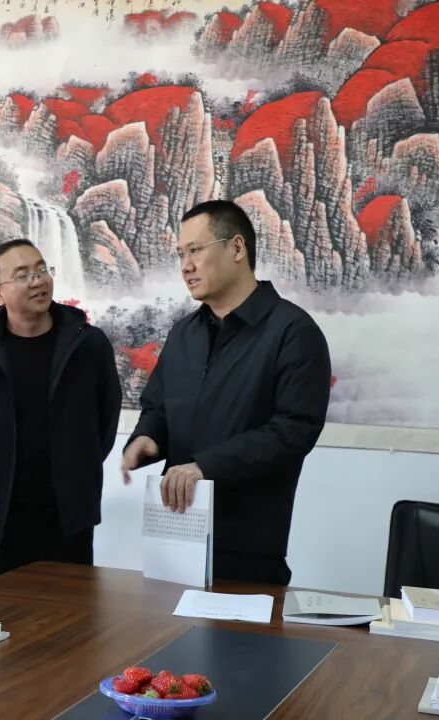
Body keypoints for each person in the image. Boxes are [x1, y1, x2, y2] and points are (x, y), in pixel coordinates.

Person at [121, 199, 332, 585]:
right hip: (175, 535)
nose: (186, 266)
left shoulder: (293, 332)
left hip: (248, 545)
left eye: (195, 250)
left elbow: (293, 431)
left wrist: (205, 467)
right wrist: (147, 436)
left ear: (237, 248)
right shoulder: (183, 333)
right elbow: (159, 407)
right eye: (180, 254)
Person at [0, 239, 122, 583]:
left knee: (69, 612)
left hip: (67, 515)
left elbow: (106, 419)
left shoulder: (89, 345)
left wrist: (79, 466)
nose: (38, 281)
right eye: (23, 275)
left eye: (42, 270)